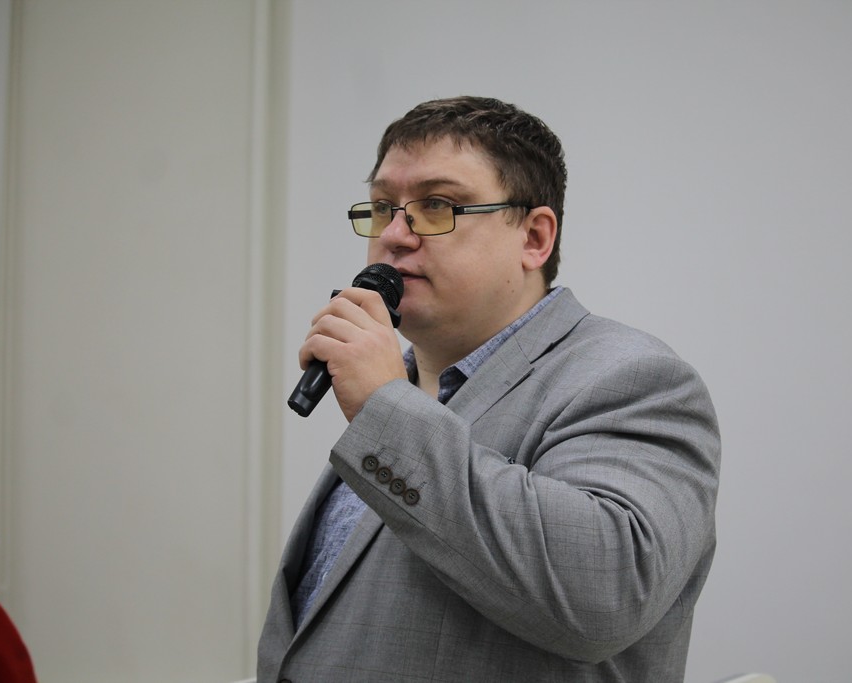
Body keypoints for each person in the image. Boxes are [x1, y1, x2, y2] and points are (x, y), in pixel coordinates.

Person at [257, 96, 721, 682]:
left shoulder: (632, 378)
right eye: (382, 207)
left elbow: (603, 597)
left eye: (436, 206)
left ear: (534, 237)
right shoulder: (398, 393)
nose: (394, 235)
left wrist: (382, 408)